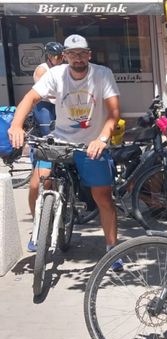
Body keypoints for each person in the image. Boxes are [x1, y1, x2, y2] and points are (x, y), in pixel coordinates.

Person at [8, 34, 120, 263]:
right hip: (60, 141)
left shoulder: (102, 75)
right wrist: (16, 125)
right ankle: (39, 230)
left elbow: (114, 114)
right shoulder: (55, 74)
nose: (77, 58)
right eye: (72, 54)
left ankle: (112, 248)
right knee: (37, 182)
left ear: (89, 55)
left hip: (91, 144)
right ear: (64, 56)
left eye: (82, 54)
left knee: (103, 197)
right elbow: (30, 98)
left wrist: (102, 138)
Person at [32, 42, 65, 134]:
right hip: (44, 105)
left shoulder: (61, 69)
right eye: (57, 57)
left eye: (62, 57)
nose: (60, 60)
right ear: (49, 56)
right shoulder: (42, 69)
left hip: (58, 105)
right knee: (48, 132)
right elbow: (41, 92)